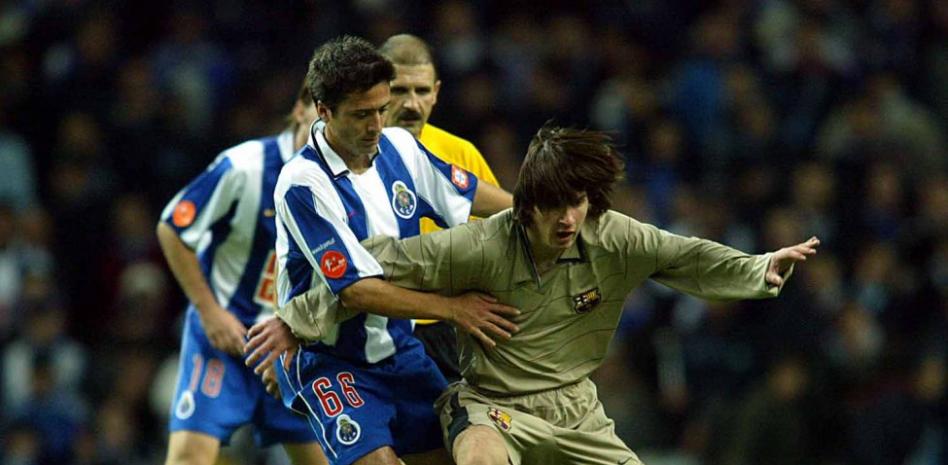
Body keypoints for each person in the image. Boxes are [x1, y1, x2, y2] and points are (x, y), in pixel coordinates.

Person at [250, 124, 822, 465]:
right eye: (553, 205)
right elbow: (370, 267)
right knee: (475, 453)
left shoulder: (614, 236)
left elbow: (684, 256)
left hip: (578, 411)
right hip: (495, 408)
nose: (568, 218)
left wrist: (757, 268)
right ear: (527, 205)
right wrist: (292, 319)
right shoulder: (478, 246)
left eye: (577, 203)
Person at [256, 35, 515, 465]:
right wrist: (454, 308)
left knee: (456, 455)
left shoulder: (399, 147)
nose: (377, 124)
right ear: (324, 111)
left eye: (380, 109)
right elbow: (355, 290)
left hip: (402, 348)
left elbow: (468, 195)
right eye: (361, 115)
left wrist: (538, 210)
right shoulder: (303, 183)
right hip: (330, 359)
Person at [156, 83, 327, 465]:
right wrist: (209, 311)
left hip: (292, 348)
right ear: (300, 110)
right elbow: (172, 227)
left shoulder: (345, 182)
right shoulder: (245, 166)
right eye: (321, 112)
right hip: (226, 339)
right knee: (188, 458)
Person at [380, 33, 501, 382]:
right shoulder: (351, 158)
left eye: (421, 91)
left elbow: (501, 233)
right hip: (377, 326)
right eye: (399, 90)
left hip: (451, 327)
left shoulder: (460, 154)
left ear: (436, 91)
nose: (411, 104)